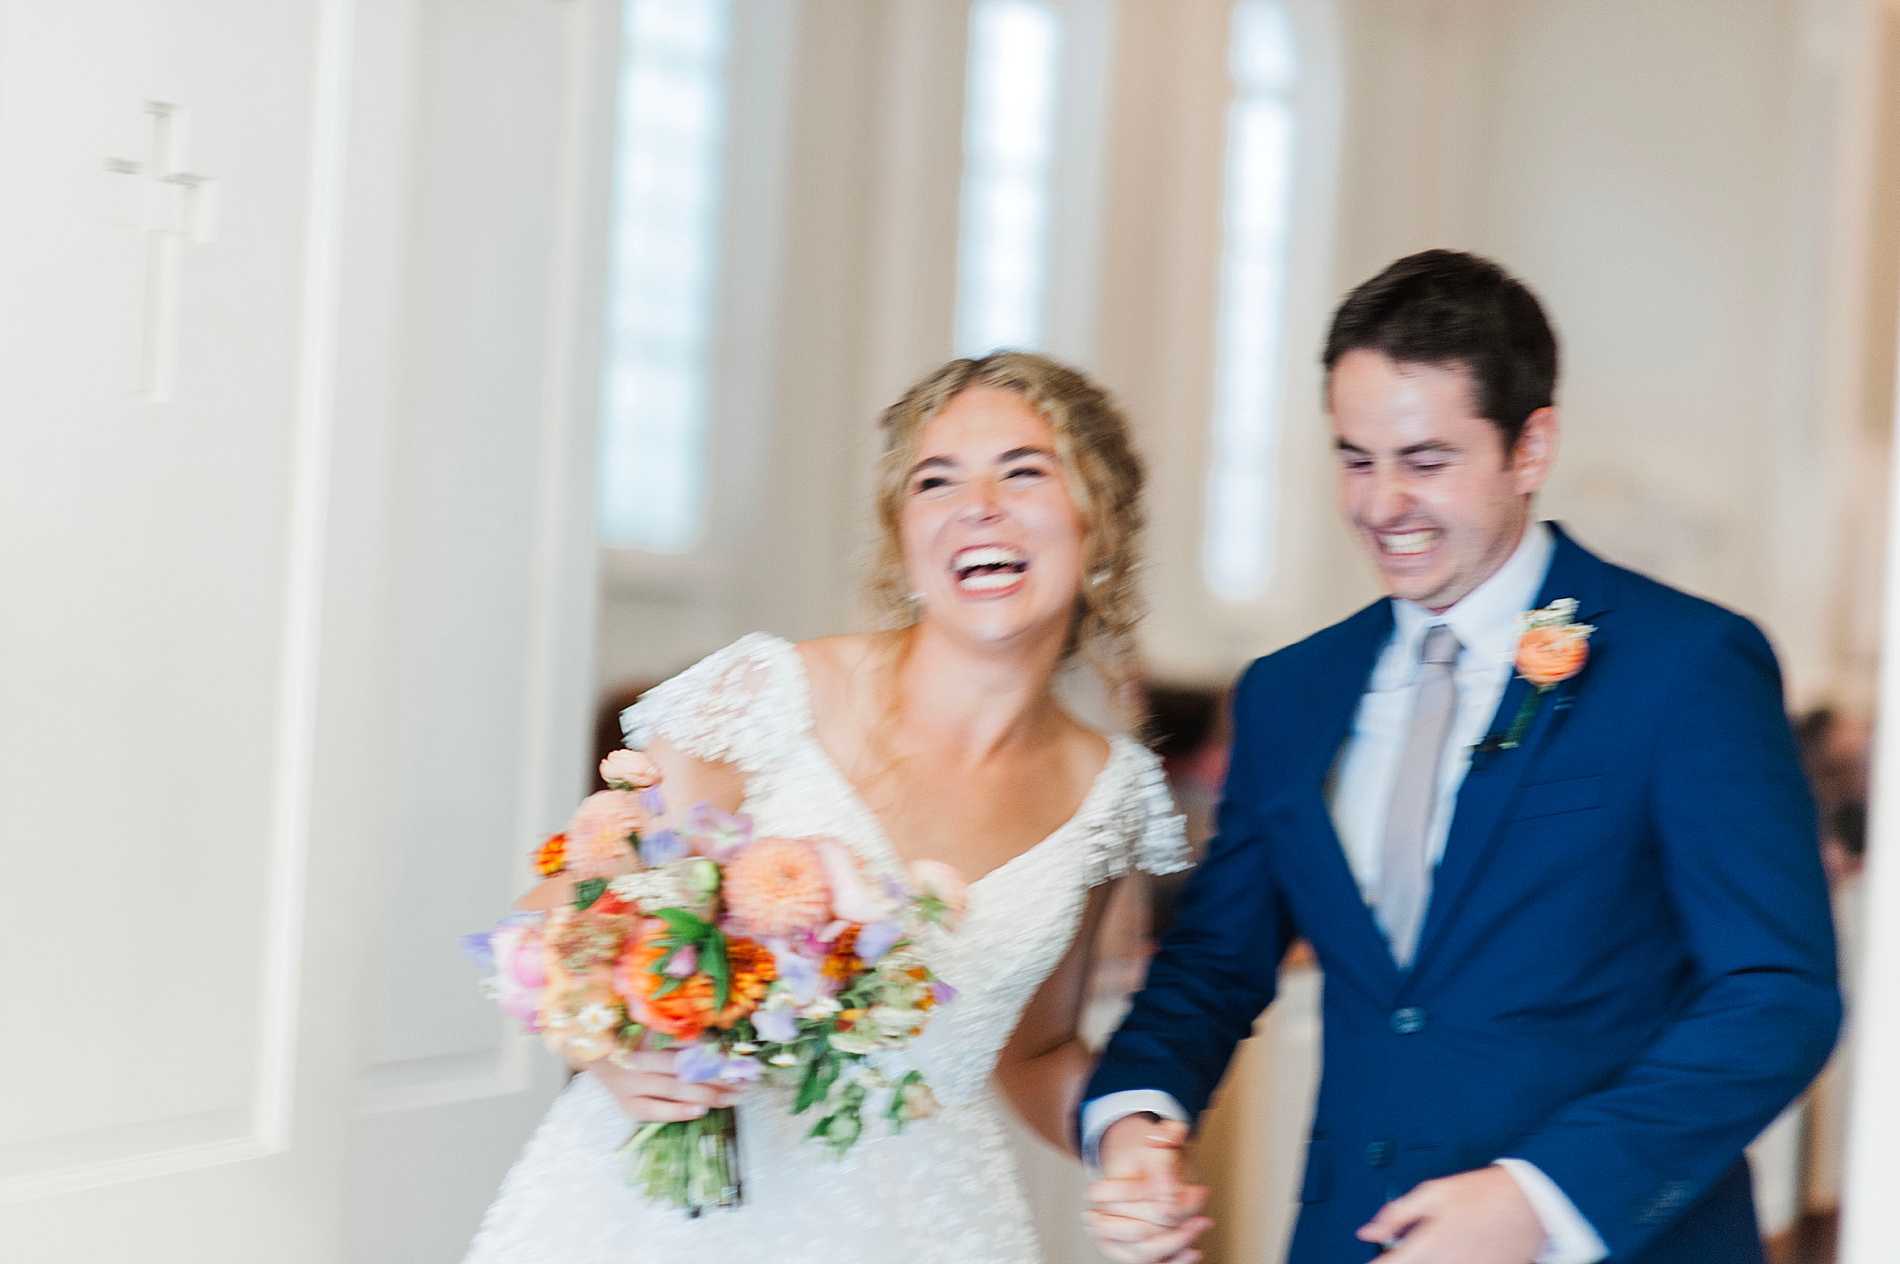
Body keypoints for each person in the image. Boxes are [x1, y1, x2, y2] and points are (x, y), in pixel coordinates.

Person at [1081, 250, 1842, 1264]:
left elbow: (1773, 993)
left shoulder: (1686, 666)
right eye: (1355, 459)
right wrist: (1136, 1119)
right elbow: (1216, 962)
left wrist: (1540, 1197)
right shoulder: (1290, 692)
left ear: (1530, 448)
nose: (1381, 502)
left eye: (1425, 460)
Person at [463, 351, 1190, 1263]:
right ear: (903, 536)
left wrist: (1131, 1148)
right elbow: (549, 917)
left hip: (927, 1225)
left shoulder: (1108, 796)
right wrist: (615, 1052)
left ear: (1099, 521)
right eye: (937, 480)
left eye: (1024, 470)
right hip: (677, 1220)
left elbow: (1035, 1052)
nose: (979, 506)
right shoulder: (769, 699)